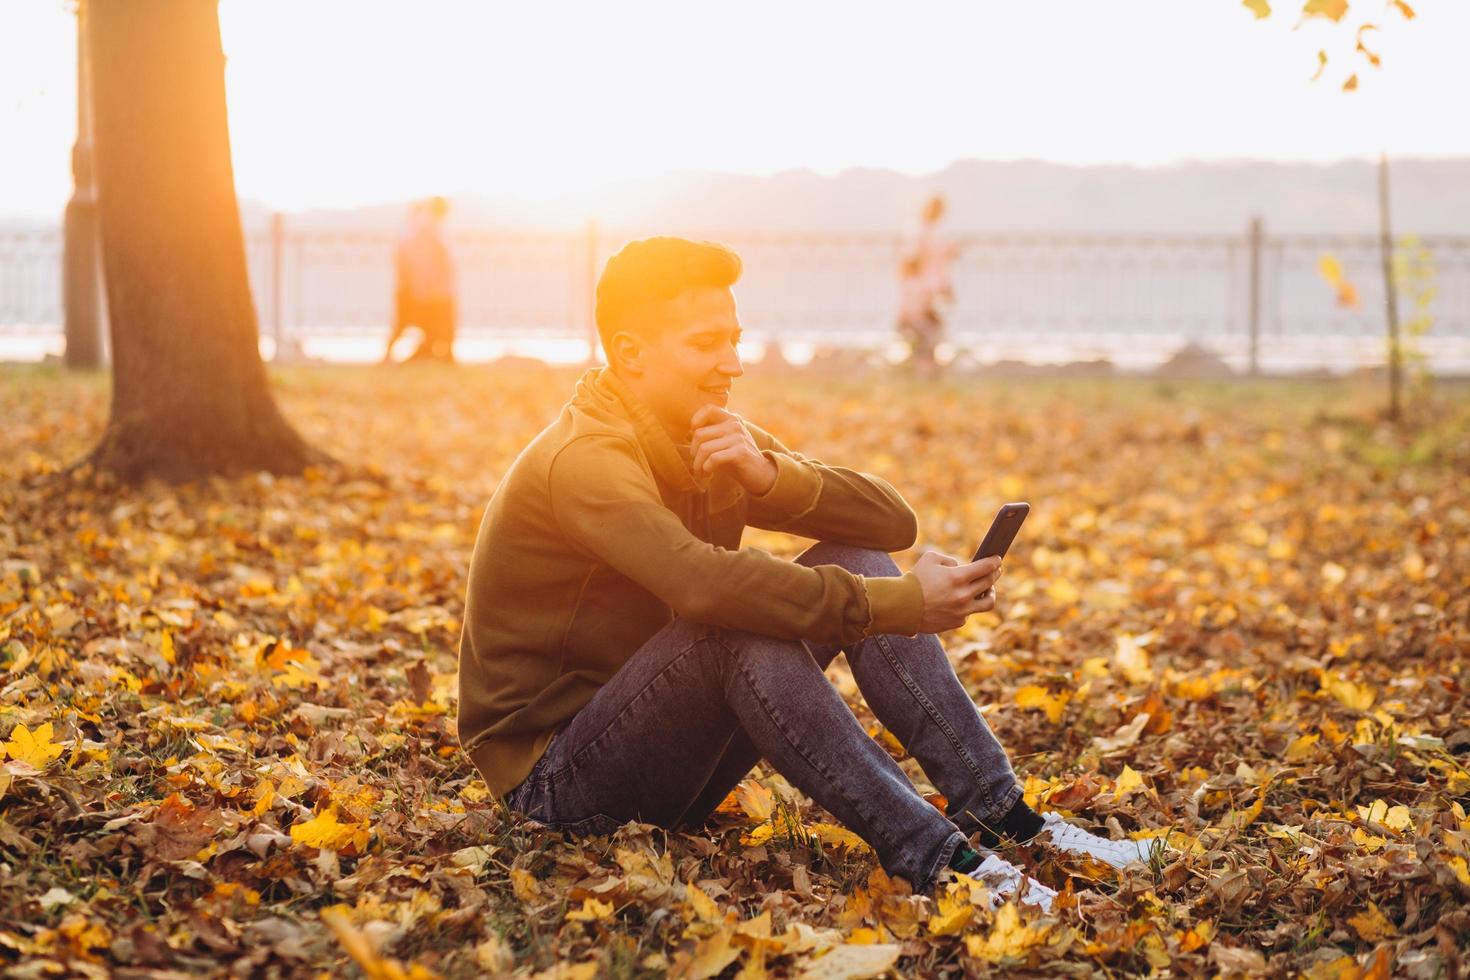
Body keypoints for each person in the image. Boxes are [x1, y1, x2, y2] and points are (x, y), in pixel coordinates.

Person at [456, 237, 1156, 906]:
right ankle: (943, 862)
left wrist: (767, 475)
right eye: (706, 343)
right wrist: (904, 605)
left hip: (664, 757)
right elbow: (700, 585)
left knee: (850, 560)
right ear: (632, 354)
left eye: (733, 338)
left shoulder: (702, 429)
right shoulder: (583, 460)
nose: (732, 362)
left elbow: (890, 526)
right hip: (555, 786)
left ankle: (1005, 816)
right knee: (726, 624)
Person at [383, 196, 456, 363]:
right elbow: (421, 261)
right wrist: (422, 286)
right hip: (427, 288)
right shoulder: (424, 230)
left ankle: (435, 355)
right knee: (420, 323)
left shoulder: (422, 229)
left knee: (429, 324)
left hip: (428, 287)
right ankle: (438, 356)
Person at [897, 194, 956, 379]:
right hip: (919, 291)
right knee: (925, 330)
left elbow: (934, 263)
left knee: (928, 331)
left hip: (927, 291)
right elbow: (910, 262)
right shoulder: (918, 232)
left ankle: (923, 370)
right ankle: (920, 370)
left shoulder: (928, 232)